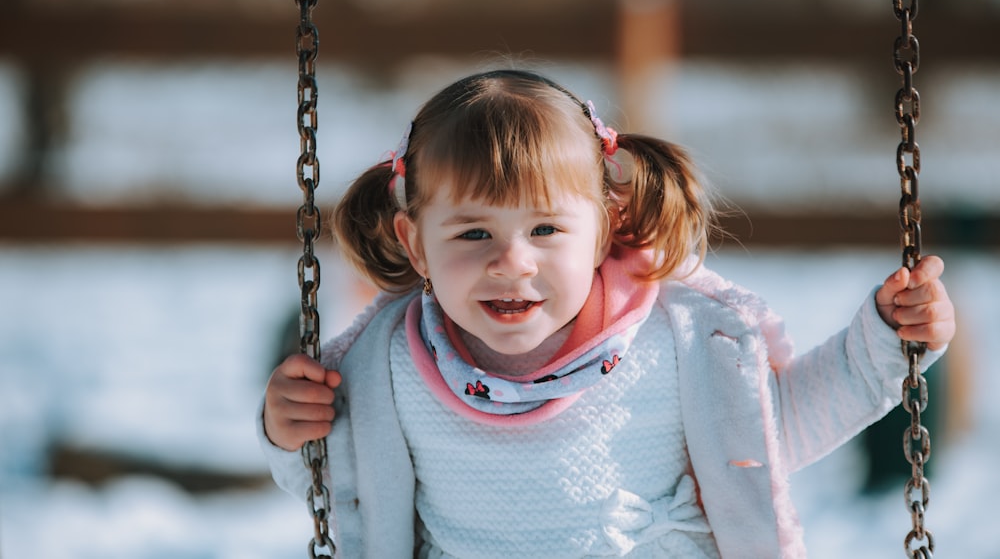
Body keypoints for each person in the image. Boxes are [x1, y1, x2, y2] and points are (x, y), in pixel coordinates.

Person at [258, 69, 954, 558]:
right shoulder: (391, 363)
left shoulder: (675, 340)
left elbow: (778, 432)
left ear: (604, 228)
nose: (512, 262)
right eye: (473, 234)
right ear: (415, 242)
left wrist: (884, 342)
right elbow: (346, 483)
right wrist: (291, 433)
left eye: (546, 231)